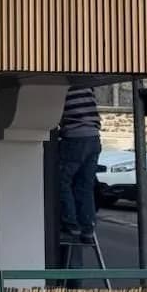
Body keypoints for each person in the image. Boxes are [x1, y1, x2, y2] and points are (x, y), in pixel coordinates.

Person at [57, 84, 102, 245]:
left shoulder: (64, 83)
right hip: (94, 137)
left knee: (61, 181)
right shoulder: (86, 83)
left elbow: (55, 112)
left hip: (75, 137)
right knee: (85, 186)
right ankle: (87, 229)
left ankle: (71, 226)